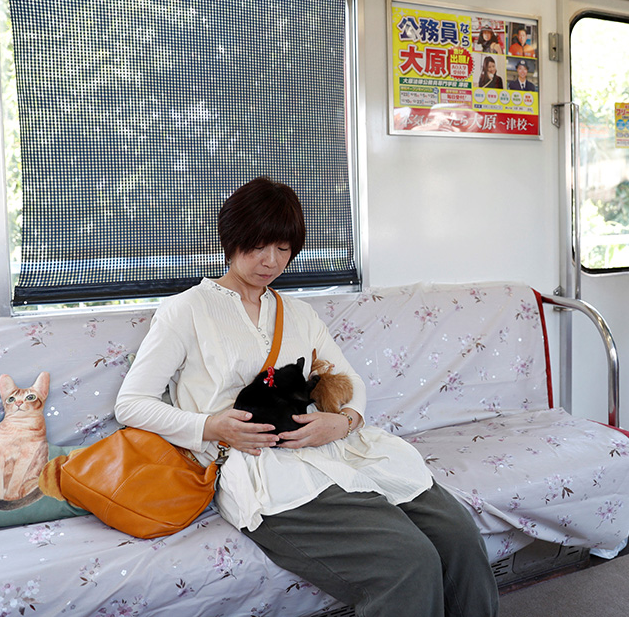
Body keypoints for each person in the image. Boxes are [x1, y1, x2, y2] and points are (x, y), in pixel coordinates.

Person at [115, 177, 499, 617]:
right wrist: (210, 426)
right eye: (258, 246)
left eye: (282, 249)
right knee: (408, 562)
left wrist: (345, 420)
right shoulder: (187, 310)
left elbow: (347, 380)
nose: (269, 261)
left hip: (336, 447)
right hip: (263, 469)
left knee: (459, 535)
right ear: (230, 238)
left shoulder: (298, 313)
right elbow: (132, 402)